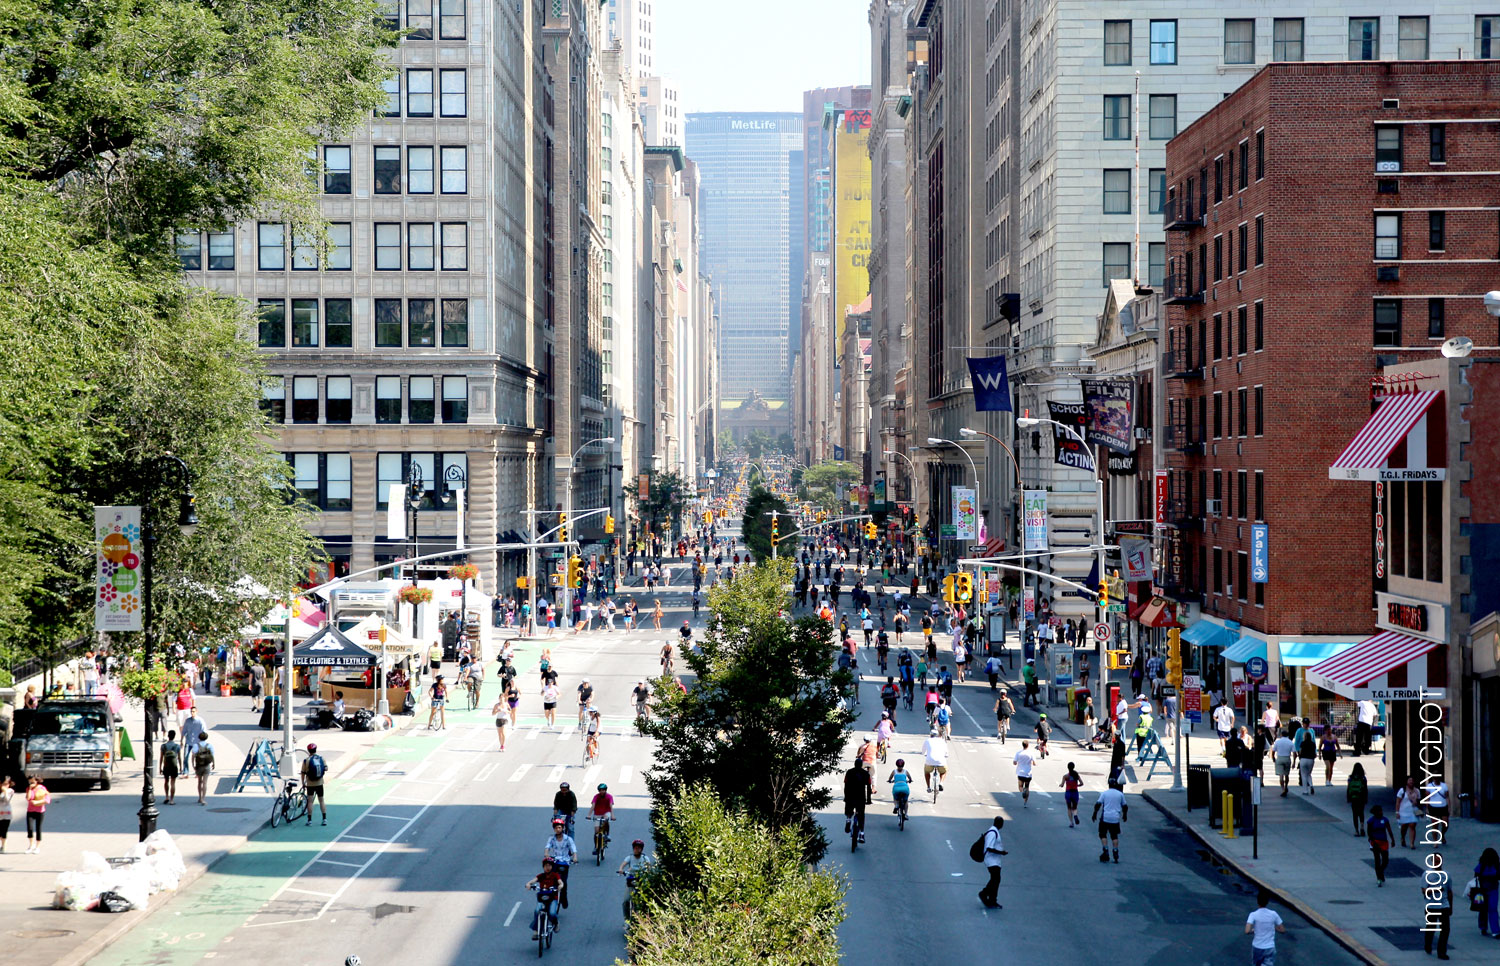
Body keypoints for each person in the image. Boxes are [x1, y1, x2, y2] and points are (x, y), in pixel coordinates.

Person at [525, 857, 564, 939]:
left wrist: (560, 886)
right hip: (542, 898)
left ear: (552, 867)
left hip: (553, 898)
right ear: (543, 866)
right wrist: (528, 884)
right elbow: (533, 880)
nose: (547, 867)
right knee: (537, 911)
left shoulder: (555, 875)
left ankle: (556, 922)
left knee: (552, 913)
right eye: (546, 865)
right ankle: (536, 931)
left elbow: (560, 883)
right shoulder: (541, 876)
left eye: (549, 865)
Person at [544, 817, 578, 908]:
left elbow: (573, 848)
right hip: (554, 860)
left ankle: (564, 897)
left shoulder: (568, 839)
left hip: (564, 862)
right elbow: (547, 847)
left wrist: (575, 857)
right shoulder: (552, 838)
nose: (558, 829)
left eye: (559, 827)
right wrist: (546, 853)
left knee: (563, 881)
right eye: (556, 828)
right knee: (550, 877)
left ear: (562, 828)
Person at [1245, 890, 1286, 966]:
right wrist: (1274, 928)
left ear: (1257, 901)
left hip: (1257, 946)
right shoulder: (1274, 914)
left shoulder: (1253, 915)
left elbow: (1247, 931)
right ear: (1267, 902)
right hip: (1269, 946)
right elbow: (1282, 930)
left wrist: (1253, 930)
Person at [1091, 779, 1128, 864]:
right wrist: (1125, 815)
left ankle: (1106, 850)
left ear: (1109, 785)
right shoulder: (1120, 794)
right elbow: (1125, 806)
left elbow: (1098, 804)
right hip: (1115, 818)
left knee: (1102, 834)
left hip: (1105, 817)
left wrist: (1094, 814)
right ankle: (1115, 852)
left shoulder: (1105, 793)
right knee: (1114, 836)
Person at [977, 816, 1006, 909]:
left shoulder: (994, 831)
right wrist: (1001, 852)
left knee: (996, 879)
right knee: (995, 879)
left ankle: (993, 899)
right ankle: (984, 893)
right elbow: (989, 847)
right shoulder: (993, 833)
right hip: (991, 860)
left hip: (995, 861)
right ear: (999, 823)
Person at [299, 741, 329, 825]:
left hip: (310, 784)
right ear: (316, 750)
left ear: (308, 750)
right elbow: (326, 768)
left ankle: (309, 820)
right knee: (321, 800)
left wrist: (303, 783)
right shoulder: (321, 758)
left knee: (310, 802)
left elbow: (303, 773)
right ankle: (324, 819)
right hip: (319, 783)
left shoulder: (306, 760)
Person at [1473, 846, 1500, 937]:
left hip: (1481, 891)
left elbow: (1475, 876)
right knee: (1493, 910)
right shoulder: (1496, 865)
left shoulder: (1481, 865)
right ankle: (1495, 931)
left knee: (1483, 909)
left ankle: (1483, 927)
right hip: (1493, 890)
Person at [843, 760, 872, 843]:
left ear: (854, 764)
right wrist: (868, 799)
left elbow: (846, 785)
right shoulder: (866, 774)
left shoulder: (849, 772)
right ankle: (862, 834)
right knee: (861, 816)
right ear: (862, 765)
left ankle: (848, 820)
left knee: (849, 810)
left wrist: (846, 796)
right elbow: (868, 787)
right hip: (861, 797)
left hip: (850, 796)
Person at [1367, 804, 1395, 886]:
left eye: (1381, 811)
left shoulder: (1385, 820)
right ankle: (1379, 878)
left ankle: (1381, 871)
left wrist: (1392, 840)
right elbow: (1369, 832)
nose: (1381, 812)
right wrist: (1372, 841)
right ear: (1375, 812)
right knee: (1377, 860)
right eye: (1379, 811)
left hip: (1384, 842)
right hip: (1375, 841)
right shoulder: (1371, 821)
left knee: (1385, 860)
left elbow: (1389, 830)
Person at [1426, 877, 1453, 959]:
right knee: (1431, 928)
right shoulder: (1427, 875)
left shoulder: (1447, 875)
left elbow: (1449, 892)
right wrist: (1436, 890)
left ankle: (1441, 952)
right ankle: (1428, 945)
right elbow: (1424, 891)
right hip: (1431, 906)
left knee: (1445, 929)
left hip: (1444, 906)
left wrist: (1450, 907)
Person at [24, 775, 49, 854]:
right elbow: (28, 798)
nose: (31, 783)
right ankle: (31, 845)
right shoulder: (28, 789)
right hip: (30, 811)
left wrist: (37, 802)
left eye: (33, 781)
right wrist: (30, 789)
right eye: (30, 781)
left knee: (38, 828)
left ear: (37, 781)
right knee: (30, 828)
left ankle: (37, 847)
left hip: (40, 811)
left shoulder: (42, 788)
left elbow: (47, 799)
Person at [1293, 718, 1318, 795]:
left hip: (1304, 754)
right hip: (1309, 755)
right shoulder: (1299, 731)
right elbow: (1296, 741)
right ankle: (1311, 785)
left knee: (1304, 774)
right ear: (1303, 723)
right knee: (1308, 773)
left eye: (1308, 723)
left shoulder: (1311, 731)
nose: (1307, 725)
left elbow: (1314, 741)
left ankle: (1305, 790)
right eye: (1305, 723)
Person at [1396, 775, 1421, 848]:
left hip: (1413, 811)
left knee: (1412, 826)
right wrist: (1397, 812)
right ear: (1406, 782)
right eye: (1409, 780)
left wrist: (1420, 811)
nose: (1411, 782)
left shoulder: (1417, 791)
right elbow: (1398, 802)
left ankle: (1412, 843)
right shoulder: (1402, 790)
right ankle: (1403, 837)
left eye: (1412, 780)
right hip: (1403, 811)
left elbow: (1419, 801)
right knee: (1404, 826)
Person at [921, 728, 948, 794]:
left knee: (927, 772)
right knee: (944, 771)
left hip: (929, 761)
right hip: (940, 761)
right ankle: (941, 782)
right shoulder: (942, 741)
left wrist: (925, 754)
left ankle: (928, 787)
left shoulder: (927, 740)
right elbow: (946, 752)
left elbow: (923, 751)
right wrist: (946, 755)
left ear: (930, 735)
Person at [192, 729, 216, 805]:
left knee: (199, 782)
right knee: (205, 782)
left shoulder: (196, 745)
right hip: (206, 765)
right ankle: (203, 798)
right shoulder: (209, 745)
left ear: (199, 737)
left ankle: (199, 797)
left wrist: (193, 765)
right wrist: (213, 763)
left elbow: (193, 756)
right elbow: (212, 755)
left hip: (199, 765)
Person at [160, 729, 183, 805]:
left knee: (166, 781)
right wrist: (181, 767)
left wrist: (160, 767)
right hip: (174, 766)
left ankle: (166, 796)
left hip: (166, 766)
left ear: (168, 736)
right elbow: (179, 757)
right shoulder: (177, 746)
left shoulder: (163, 746)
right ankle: (171, 799)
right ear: (174, 736)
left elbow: (161, 757)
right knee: (173, 782)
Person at [1424, 776, 1450, 844]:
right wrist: (1427, 808)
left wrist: (1449, 807)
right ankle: (1435, 841)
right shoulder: (1429, 786)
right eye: (1435, 778)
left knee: (1445, 824)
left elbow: (1447, 796)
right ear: (1433, 779)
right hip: (1433, 807)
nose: (1436, 779)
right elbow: (1427, 797)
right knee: (1435, 825)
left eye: (1437, 778)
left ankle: (1442, 835)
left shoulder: (1444, 786)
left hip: (1443, 806)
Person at [1347, 762, 1369, 837]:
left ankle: (1356, 831)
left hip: (1353, 798)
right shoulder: (1363, 778)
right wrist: (1366, 798)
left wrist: (1348, 798)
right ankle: (1362, 827)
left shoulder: (1351, 778)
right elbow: (1365, 789)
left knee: (1355, 814)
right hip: (1361, 798)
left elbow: (1348, 788)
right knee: (1361, 813)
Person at [1012, 740, 1036, 807]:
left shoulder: (1018, 753)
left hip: (1020, 773)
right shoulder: (1031, 753)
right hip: (1028, 773)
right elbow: (1034, 763)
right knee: (1027, 787)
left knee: (1020, 786)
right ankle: (1025, 802)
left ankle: (1022, 791)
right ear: (1028, 745)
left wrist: (1018, 762)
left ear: (1022, 745)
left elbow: (1014, 762)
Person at [1272, 729, 1295, 797]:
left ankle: (1283, 789)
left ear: (1281, 735)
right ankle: (1286, 786)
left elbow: (1273, 751)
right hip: (1287, 758)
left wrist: (1273, 758)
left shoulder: (1278, 742)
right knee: (1286, 774)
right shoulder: (1290, 742)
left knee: (1281, 775)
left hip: (1280, 758)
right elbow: (1294, 753)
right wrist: (1294, 762)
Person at [1060, 763, 1083, 827]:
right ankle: (1075, 815)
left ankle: (1071, 822)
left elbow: (1062, 785)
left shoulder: (1065, 776)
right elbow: (1082, 783)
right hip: (1075, 792)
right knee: (1075, 807)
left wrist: (1060, 785)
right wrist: (1077, 785)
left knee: (1069, 808)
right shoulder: (1076, 775)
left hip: (1068, 793)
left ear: (1068, 767)